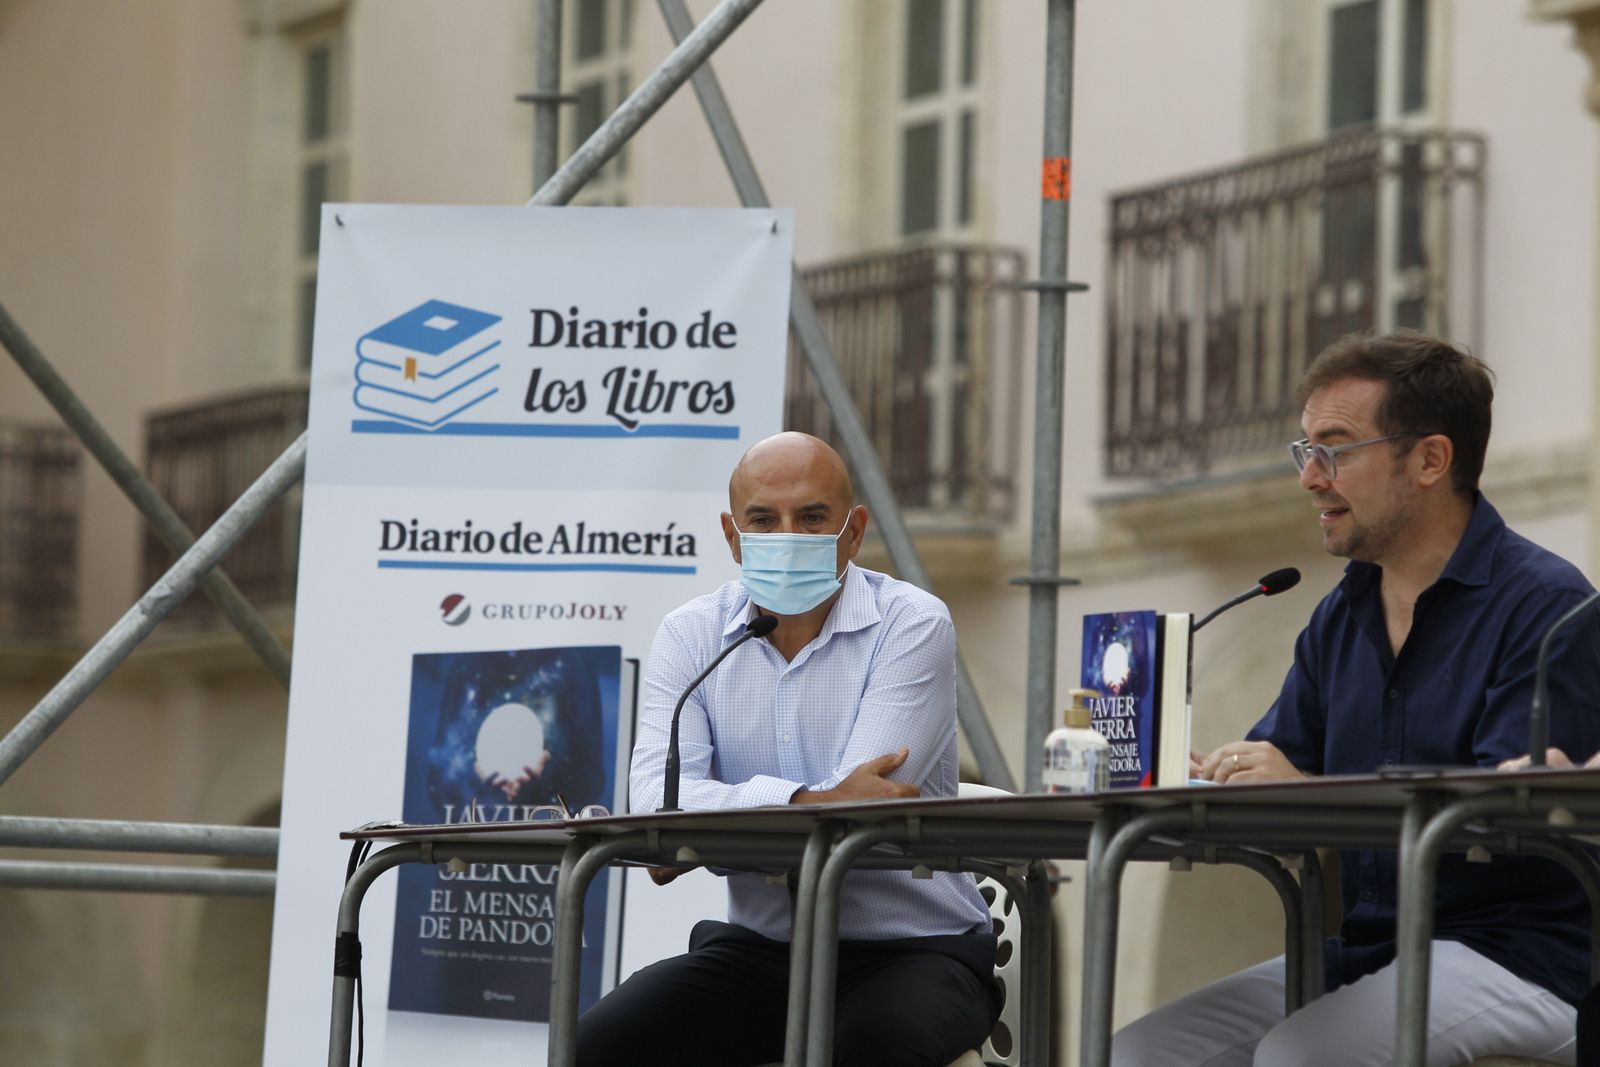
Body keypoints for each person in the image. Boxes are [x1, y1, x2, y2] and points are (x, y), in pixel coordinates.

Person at [1114, 331, 1600, 1067]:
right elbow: (1281, 773)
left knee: (1299, 1056)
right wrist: (1219, 776)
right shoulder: (1339, 616)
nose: (1310, 477)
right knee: (1139, 1052)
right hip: (1364, 951)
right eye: (1303, 450)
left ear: (1431, 459)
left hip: (1520, 955)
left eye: (1334, 449)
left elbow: (1500, 820)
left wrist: (1301, 789)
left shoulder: (1545, 603)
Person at [575, 431, 999, 1067]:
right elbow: (659, 805)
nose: (787, 536)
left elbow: (864, 816)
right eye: (763, 520)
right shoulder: (692, 636)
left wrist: (716, 824)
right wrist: (810, 798)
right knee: (598, 1045)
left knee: (871, 1047)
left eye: (812, 518)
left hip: (912, 949)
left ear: (853, 532)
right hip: (760, 952)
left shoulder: (913, 623)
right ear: (731, 534)